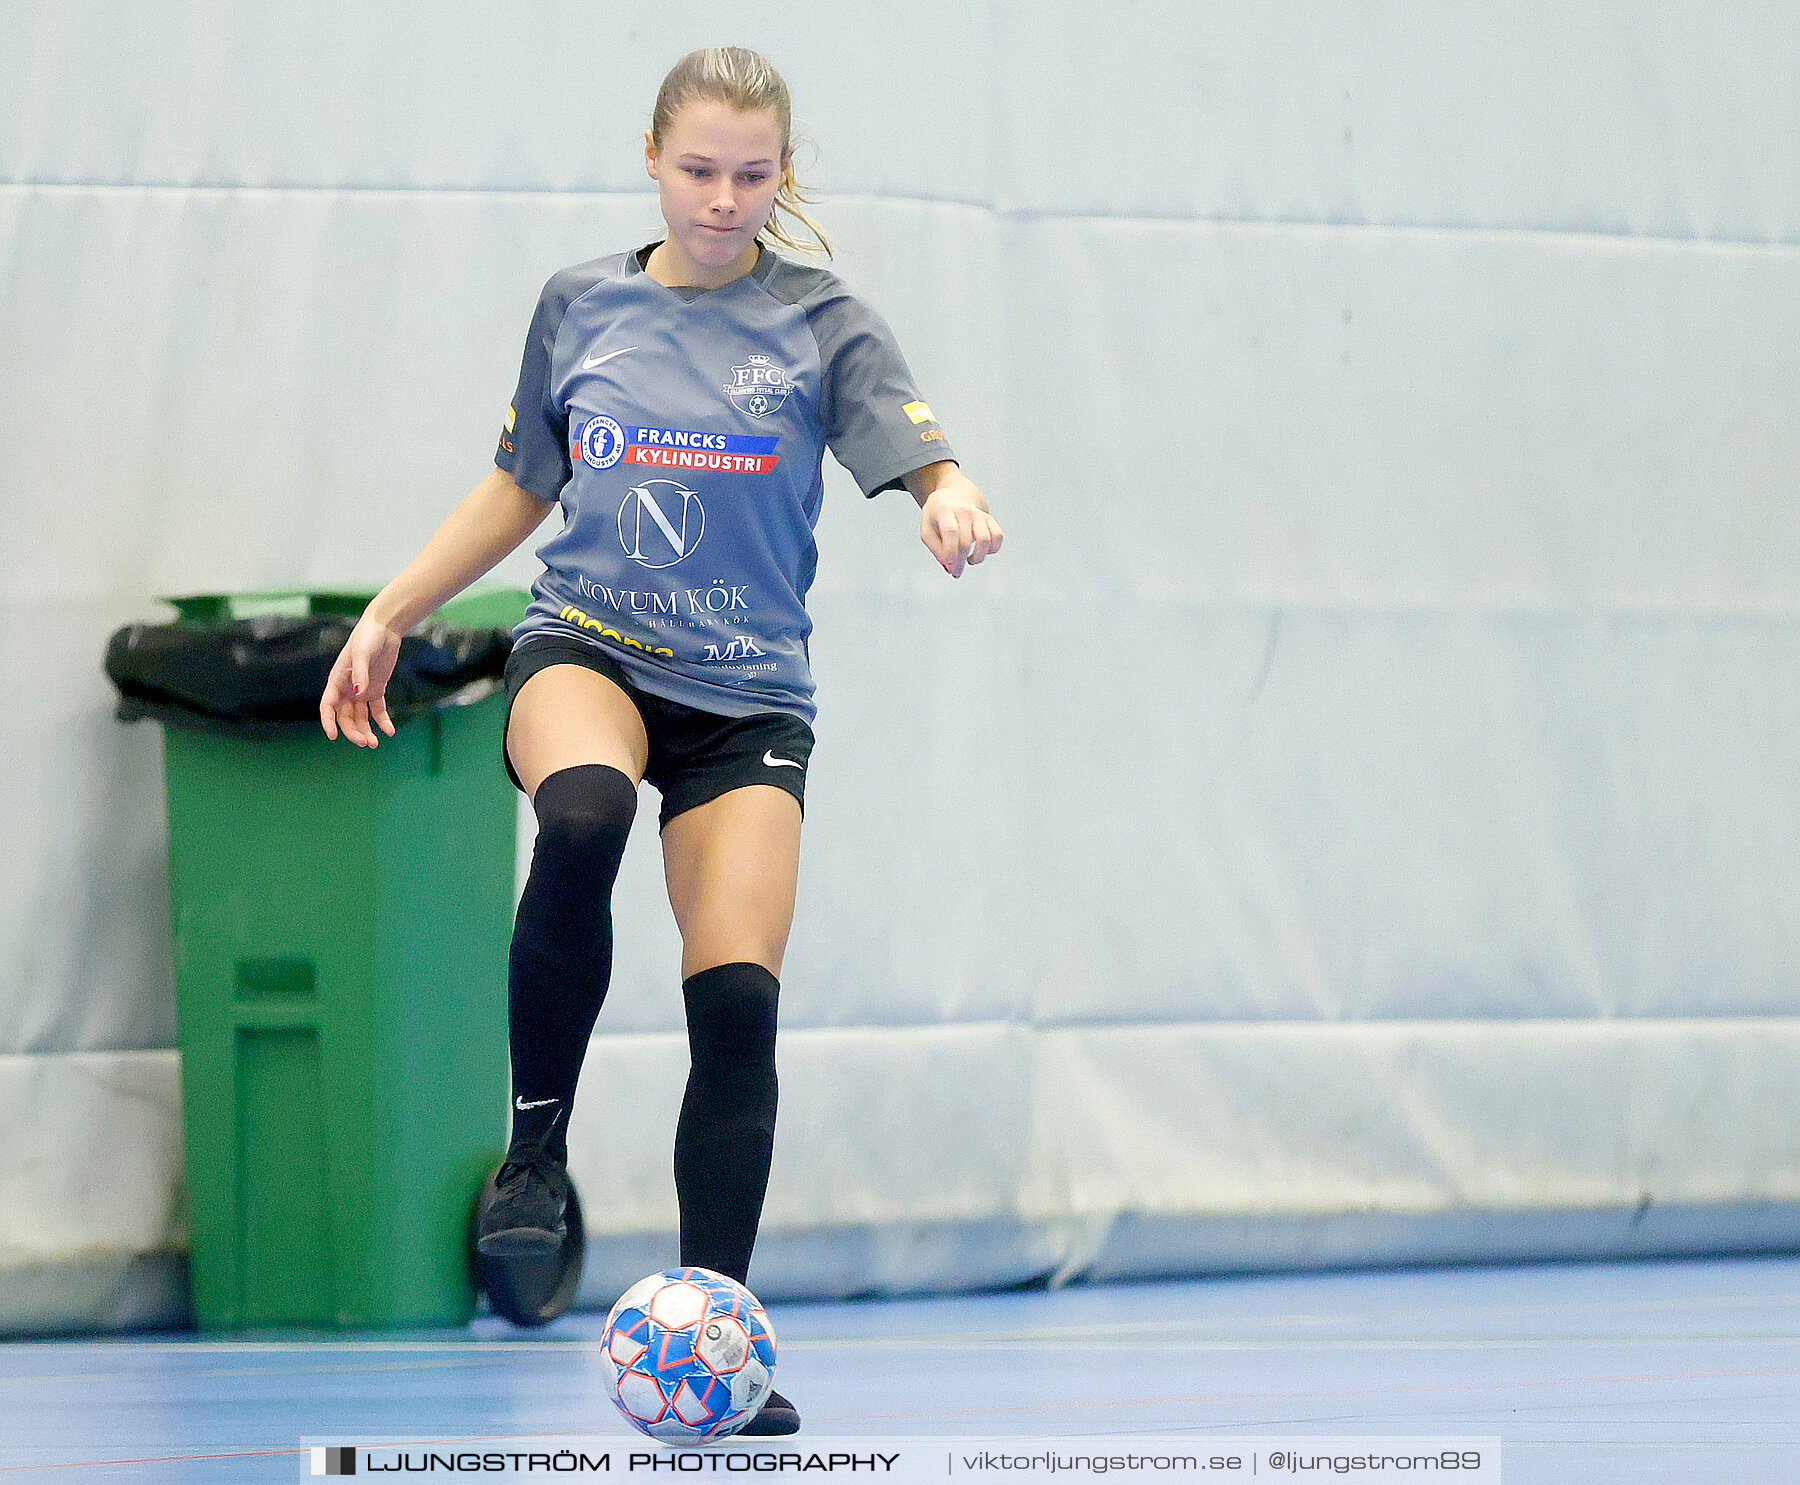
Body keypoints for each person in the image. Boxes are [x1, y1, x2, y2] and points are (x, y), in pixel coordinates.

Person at [318, 45, 1002, 1434]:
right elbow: (521, 484)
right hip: (593, 647)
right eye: (700, 170)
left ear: (783, 175)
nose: (724, 199)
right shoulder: (583, 305)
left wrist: (948, 495)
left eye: (754, 176)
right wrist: (393, 607)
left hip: (747, 697)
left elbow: (921, 449)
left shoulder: (823, 324)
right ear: (651, 156)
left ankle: (720, 1337)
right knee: (579, 815)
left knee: (738, 999)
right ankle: (533, 1155)